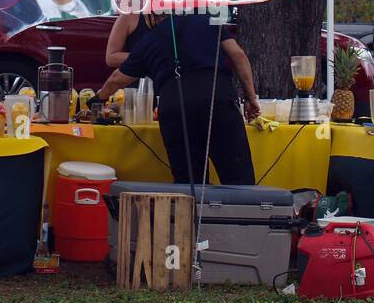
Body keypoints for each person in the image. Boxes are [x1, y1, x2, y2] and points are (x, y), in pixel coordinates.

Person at [97, 12, 260, 186]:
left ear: (153, 17)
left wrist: (97, 100)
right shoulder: (208, 21)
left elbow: (117, 79)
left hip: (176, 106)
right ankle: (245, 211)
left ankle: (193, 211)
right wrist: (250, 97)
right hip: (217, 98)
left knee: (189, 182)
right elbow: (238, 55)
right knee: (238, 177)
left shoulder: (150, 40)